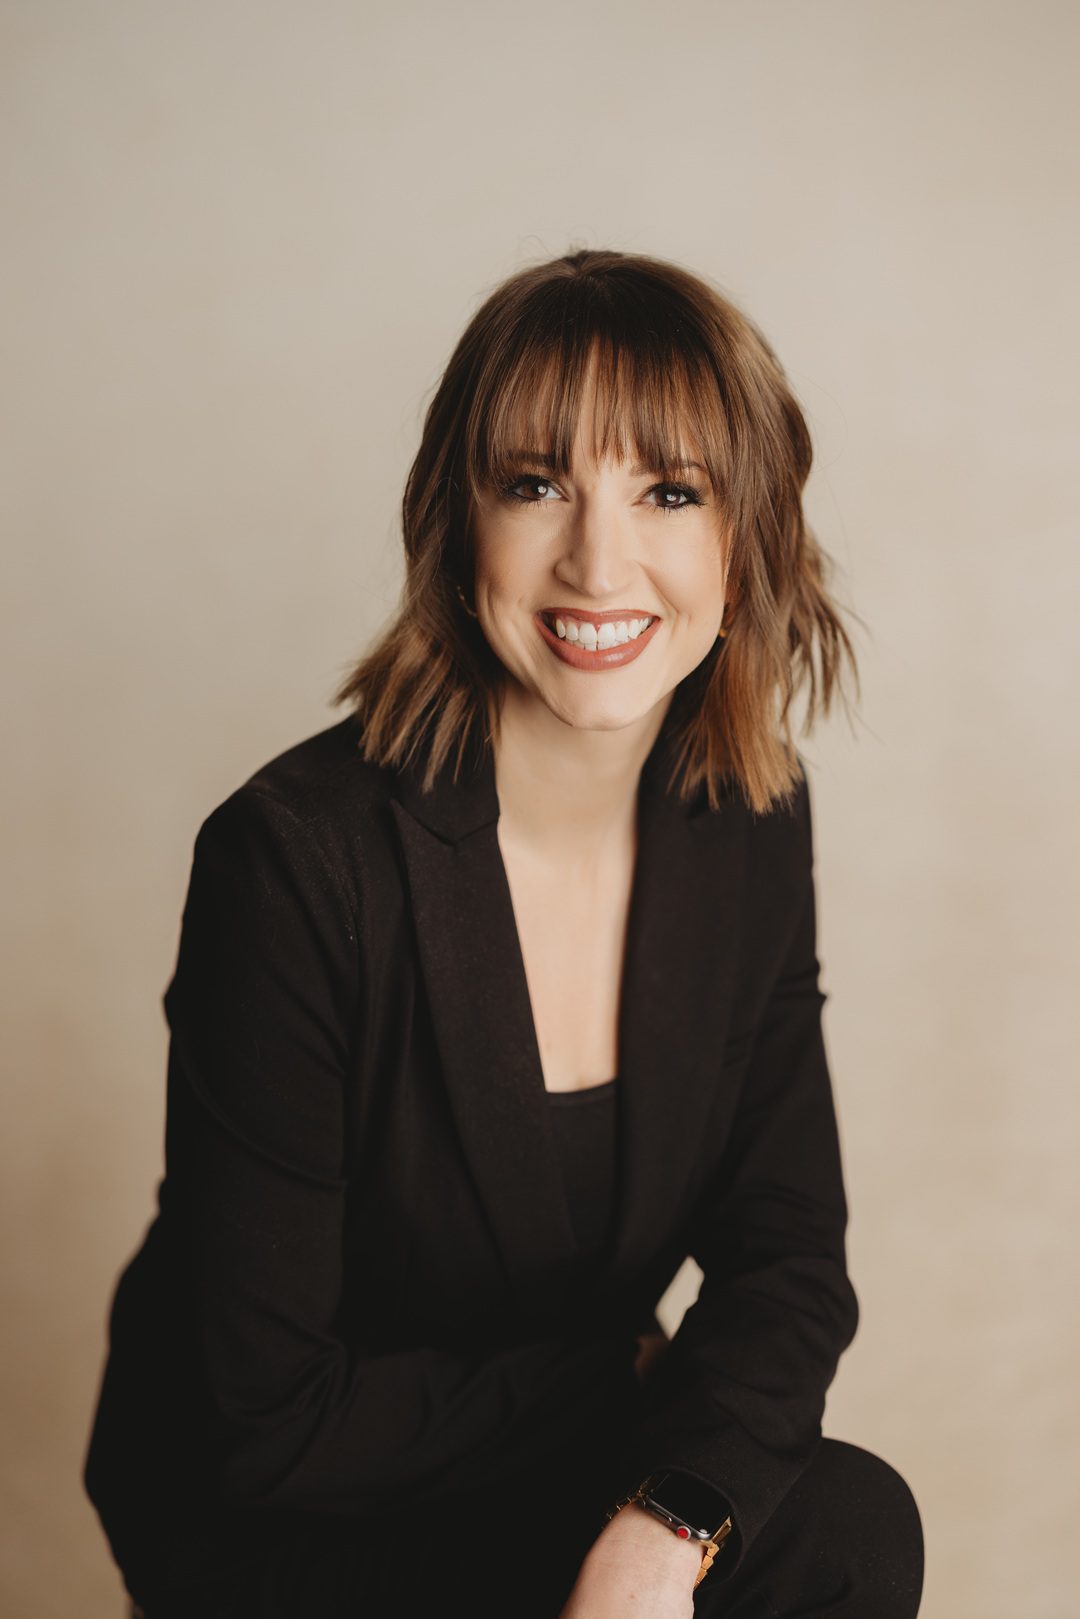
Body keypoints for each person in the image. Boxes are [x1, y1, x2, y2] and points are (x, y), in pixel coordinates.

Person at [84, 247, 924, 1618]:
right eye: (535, 485)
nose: (599, 561)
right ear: (456, 521)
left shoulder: (745, 822)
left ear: (744, 534)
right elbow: (269, 1412)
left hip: (546, 1455)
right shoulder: (293, 863)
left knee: (846, 1527)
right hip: (284, 1512)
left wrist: (671, 1519)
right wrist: (621, 1384)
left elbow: (789, 1263)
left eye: (668, 491)